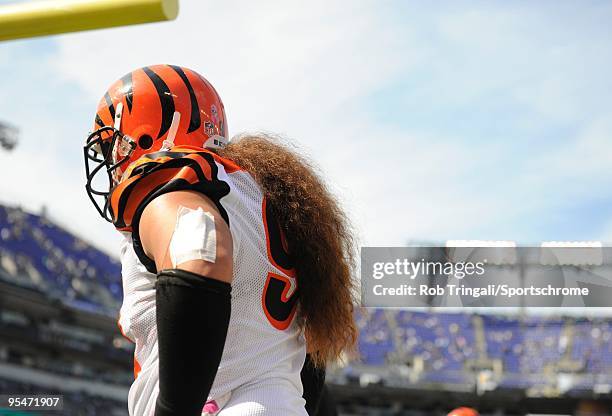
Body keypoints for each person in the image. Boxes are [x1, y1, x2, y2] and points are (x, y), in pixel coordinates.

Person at [83, 64, 356, 416]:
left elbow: (201, 257)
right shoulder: (264, 203)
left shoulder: (175, 190)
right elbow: (309, 361)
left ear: (147, 134)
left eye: (112, 146)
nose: (111, 161)